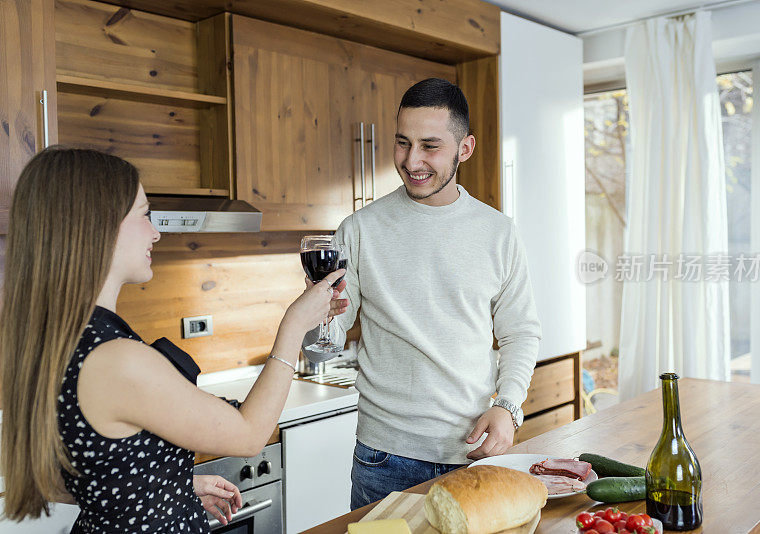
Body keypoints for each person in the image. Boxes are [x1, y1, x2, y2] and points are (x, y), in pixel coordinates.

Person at [0, 147, 347, 532]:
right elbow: (249, 433)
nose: (156, 232)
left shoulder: (59, 342)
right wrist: (295, 325)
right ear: (99, 224)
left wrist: (165, 487)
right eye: (145, 215)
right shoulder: (116, 360)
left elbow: (65, 474)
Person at [304, 78, 542, 510]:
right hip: (383, 460)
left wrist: (508, 406)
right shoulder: (360, 230)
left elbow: (520, 332)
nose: (412, 160)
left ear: (463, 149)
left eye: (430, 146)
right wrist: (314, 312)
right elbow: (324, 345)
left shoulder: (498, 233)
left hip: (473, 454)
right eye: (402, 143)